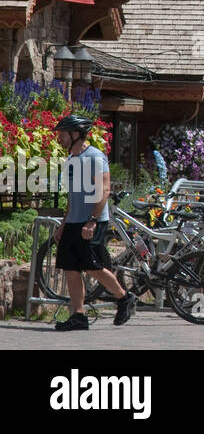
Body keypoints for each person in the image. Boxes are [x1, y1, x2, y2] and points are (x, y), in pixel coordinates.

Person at [52, 115, 135, 331]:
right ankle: (78, 315)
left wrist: (92, 221)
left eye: (63, 133)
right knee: (71, 268)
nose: (59, 138)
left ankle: (124, 298)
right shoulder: (71, 159)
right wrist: (63, 224)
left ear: (76, 134)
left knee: (92, 267)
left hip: (92, 221)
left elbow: (104, 190)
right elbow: (73, 197)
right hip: (74, 221)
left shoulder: (95, 157)